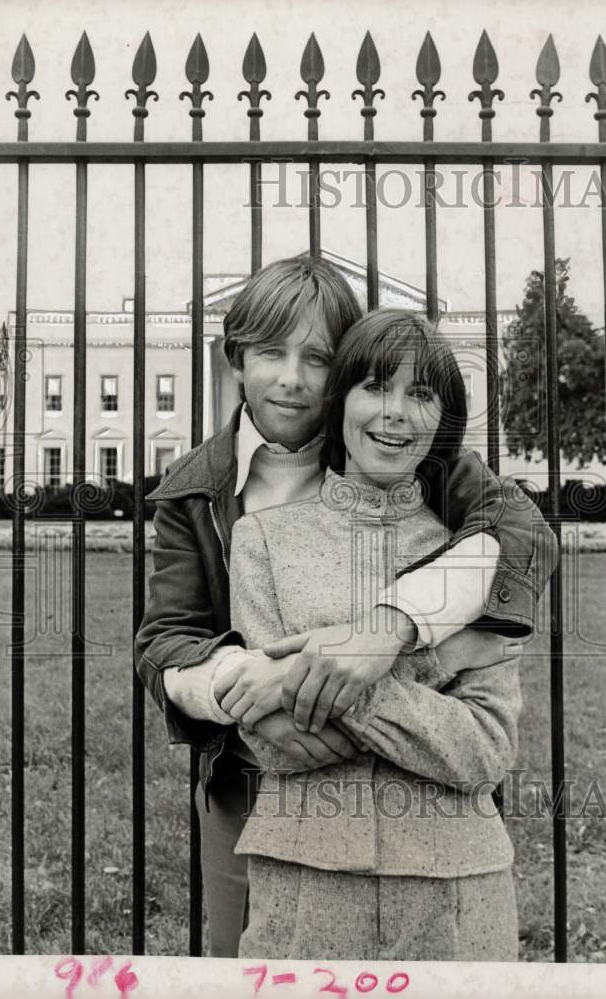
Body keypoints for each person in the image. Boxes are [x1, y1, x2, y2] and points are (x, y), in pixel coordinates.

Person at [134, 256, 558, 957]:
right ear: (236, 358)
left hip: (431, 816)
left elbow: (520, 536)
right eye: (270, 352)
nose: (291, 379)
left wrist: (384, 641)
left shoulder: (422, 460)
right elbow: (166, 638)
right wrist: (250, 689)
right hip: (257, 781)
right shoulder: (198, 493)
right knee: (244, 950)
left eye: (320, 359)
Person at [230, 310, 523, 960]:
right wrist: (418, 664)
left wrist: (304, 673)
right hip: (304, 885)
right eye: (374, 386)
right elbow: (273, 740)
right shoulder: (263, 541)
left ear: (442, 420)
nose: (394, 414)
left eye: (420, 394)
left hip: (455, 890)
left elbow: (484, 749)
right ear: (339, 403)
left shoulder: (477, 558)